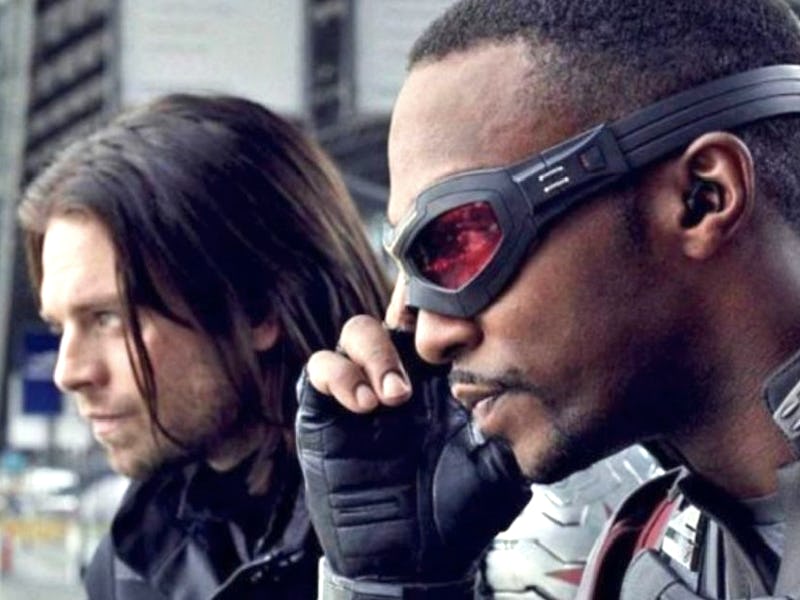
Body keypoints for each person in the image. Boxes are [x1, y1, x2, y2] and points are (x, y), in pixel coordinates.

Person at [294, 0, 800, 598]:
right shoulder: (640, 559)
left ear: (701, 197)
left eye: (460, 242)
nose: (429, 338)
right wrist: (395, 582)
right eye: (412, 268)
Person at [18, 94, 389, 599]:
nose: (68, 373)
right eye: (60, 327)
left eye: (107, 318)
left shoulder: (455, 525)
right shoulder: (132, 562)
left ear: (256, 308)